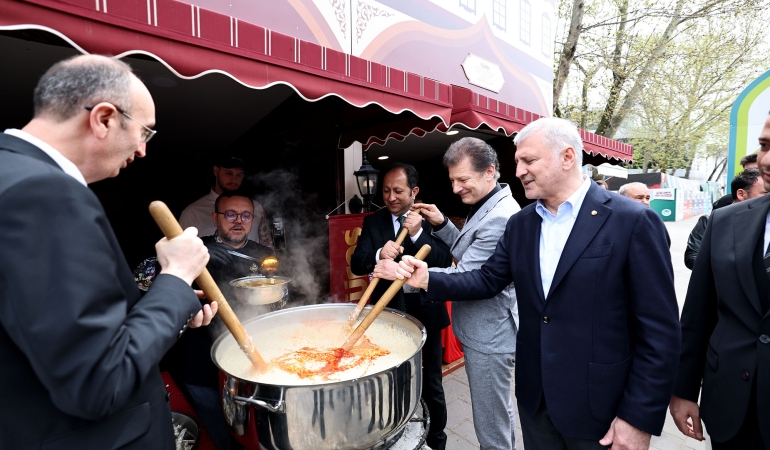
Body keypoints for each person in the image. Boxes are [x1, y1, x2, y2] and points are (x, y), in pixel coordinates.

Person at [397, 118, 681, 450]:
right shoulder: (521, 225)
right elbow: (487, 279)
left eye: (529, 160)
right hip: (536, 403)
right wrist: (426, 277)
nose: (518, 171)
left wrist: (638, 418)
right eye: (517, 161)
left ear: (567, 157)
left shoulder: (633, 221)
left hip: (600, 409)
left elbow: (660, 331)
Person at [0, 55, 217, 449]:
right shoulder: (44, 193)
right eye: (145, 133)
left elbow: (57, 329)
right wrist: (177, 274)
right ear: (104, 118)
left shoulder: (10, 173)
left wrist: (174, 302)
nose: (143, 150)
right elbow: (99, 381)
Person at [380, 138, 521, 450]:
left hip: (490, 334)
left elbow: (473, 277)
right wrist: (442, 223)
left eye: (463, 180)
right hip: (483, 331)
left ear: (489, 172)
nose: (456, 189)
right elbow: (468, 253)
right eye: (452, 181)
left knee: (492, 425)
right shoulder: (487, 203)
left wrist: (414, 274)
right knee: (497, 414)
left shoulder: (500, 216)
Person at [670, 113, 770, 449]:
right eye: (765, 146)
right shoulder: (724, 221)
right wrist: (683, 391)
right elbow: (698, 314)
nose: (766, 159)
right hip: (732, 407)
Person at [350, 163, 453, 450]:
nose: (391, 197)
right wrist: (378, 254)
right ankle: (396, 433)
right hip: (387, 316)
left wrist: (420, 235)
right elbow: (356, 262)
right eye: (386, 191)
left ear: (414, 191)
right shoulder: (374, 221)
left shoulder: (431, 219)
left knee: (431, 384)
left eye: (398, 191)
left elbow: (446, 260)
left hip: (425, 314)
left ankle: (436, 440)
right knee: (390, 380)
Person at [174, 190, 275, 450]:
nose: (238, 221)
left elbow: (282, 298)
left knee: (253, 432)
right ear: (215, 217)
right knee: (220, 433)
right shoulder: (192, 250)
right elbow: (145, 278)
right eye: (230, 214)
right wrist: (197, 255)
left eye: (245, 215)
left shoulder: (265, 255)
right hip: (202, 363)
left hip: (251, 361)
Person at [179, 156, 274, 247]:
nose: (234, 179)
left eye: (239, 175)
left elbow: (267, 245)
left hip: (251, 263)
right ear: (216, 171)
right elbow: (181, 252)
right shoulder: (192, 213)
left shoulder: (256, 207)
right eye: (229, 173)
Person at [684, 168, 767, 270]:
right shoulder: (711, 220)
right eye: (765, 193)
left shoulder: (766, 221)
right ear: (741, 194)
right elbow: (691, 257)